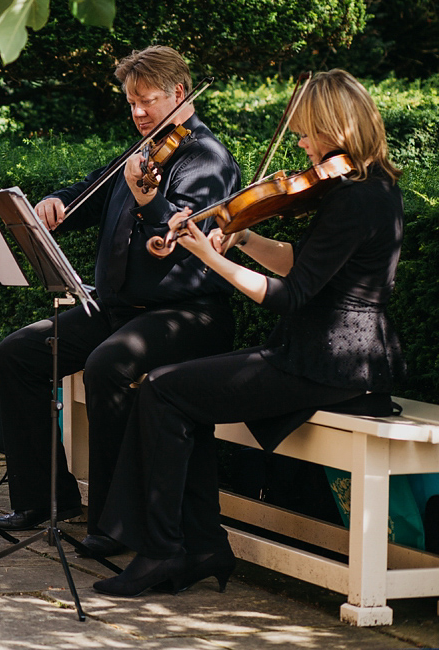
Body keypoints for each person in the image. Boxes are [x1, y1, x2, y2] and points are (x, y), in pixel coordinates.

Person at [94, 69, 408, 597]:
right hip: (332, 354)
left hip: (332, 361)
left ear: (336, 127)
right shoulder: (365, 188)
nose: (302, 142)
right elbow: (300, 261)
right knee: (176, 395)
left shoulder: (357, 198)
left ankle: (165, 551)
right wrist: (243, 240)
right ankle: (202, 545)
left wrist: (204, 256)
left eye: (308, 131)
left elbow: (288, 293)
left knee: (164, 391)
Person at [0, 46, 242, 560]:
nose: (139, 112)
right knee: (18, 353)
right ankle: (44, 499)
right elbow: (89, 196)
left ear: (178, 92)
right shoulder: (143, 150)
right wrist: (57, 201)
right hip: (120, 309)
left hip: (186, 313)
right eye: (131, 103)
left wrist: (152, 205)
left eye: (147, 100)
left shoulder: (206, 158)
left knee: (108, 365)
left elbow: (181, 232)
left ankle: (115, 522)